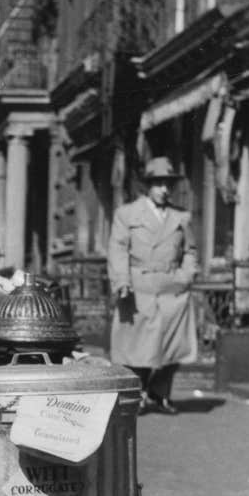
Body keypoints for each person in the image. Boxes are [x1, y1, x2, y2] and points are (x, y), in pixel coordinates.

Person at [107, 157, 198, 414]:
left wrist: (186, 275)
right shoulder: (127, 214)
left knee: (173, 345)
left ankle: (160, 393)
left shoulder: (181, 216)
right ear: (147, 186)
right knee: (138, 347)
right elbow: (118, 250)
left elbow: (191, 250)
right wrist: (122, 281)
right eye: (158, 184)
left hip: (172, 287)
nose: (164, 190)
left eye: (168, 184)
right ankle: (138, 394)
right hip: (139, 288)